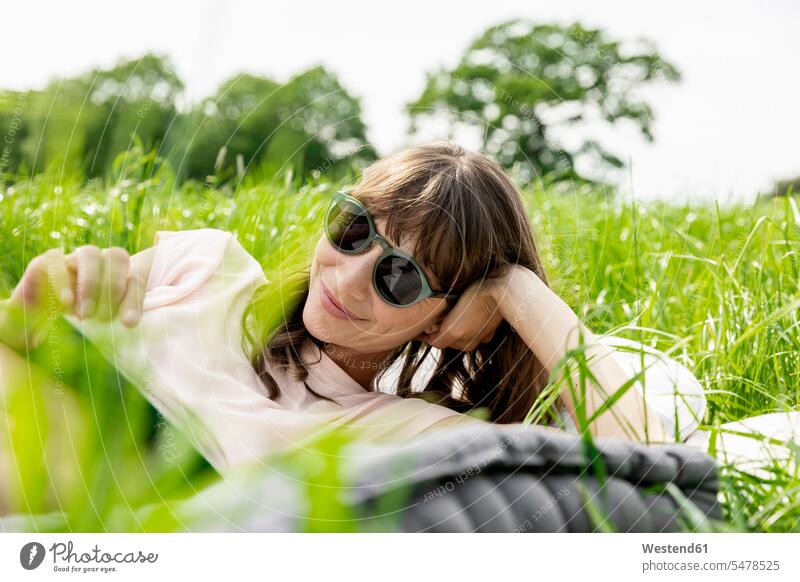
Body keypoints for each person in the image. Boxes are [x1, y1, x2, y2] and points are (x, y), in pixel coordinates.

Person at [0, 141, 796, 480]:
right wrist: (33, 312)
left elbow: (658, 461)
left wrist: (518, 291)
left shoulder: (409, 427)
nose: (346, 278)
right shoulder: (205, 266)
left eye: (402, 278)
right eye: (352, 230)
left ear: (447, 315)